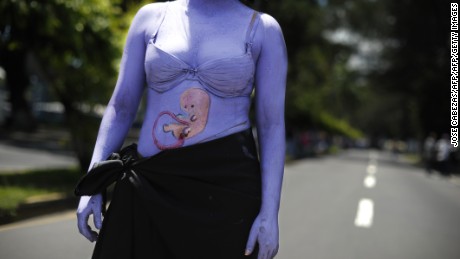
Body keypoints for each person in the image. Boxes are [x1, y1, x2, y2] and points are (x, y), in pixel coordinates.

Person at [76, 0, 287, 258]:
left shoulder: (263, 29)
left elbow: (272, 124)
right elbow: (120, 107)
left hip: (226, 195)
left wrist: (269, 213)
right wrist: (93, 183)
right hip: (149, 186)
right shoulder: (151, 18)